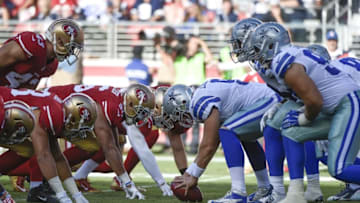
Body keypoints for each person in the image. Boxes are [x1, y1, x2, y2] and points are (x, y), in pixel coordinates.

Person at [247, 21, 360, 203]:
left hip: (349, 103)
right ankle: (296, 194)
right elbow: (302, 96)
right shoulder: (285, 57)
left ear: (271, 44)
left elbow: (314, 100)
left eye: (257, 46)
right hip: (335, 107)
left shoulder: (283, 61)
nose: (254, 51)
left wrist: (304, 118)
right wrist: (279, 108)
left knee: (339, 168)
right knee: (292, 133)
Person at [169, 80, 279, 203]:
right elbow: (214, 140)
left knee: (228, 131)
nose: (178, 119)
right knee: (243, 135)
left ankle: (238, 193)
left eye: (175, 114)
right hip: (270, 97)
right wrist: (191, 173)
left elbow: (208, 145)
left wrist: (193, 174)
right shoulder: (202, 95)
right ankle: (265, 188)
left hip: (271, 99)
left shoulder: (198, 102)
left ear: (181, 103)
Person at [0, 87, 92, 203]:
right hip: (3, 111)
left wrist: (76, 195)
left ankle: (36, 190)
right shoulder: (51, 113)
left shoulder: (56, 111)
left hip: (8, 112)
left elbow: (58, 158)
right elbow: (43, 156)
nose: (77, 133)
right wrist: (62, 196)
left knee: (28, 149)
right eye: (78, 127)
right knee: (39, 150)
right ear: (71, 118)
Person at [0, 18, 83, 89]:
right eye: (71, 48)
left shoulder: (51, 65)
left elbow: (26, 92)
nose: (72, 52)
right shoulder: (32, 44)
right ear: (60, 42)